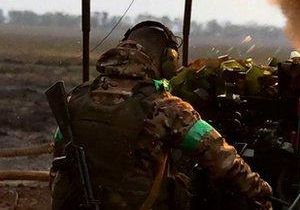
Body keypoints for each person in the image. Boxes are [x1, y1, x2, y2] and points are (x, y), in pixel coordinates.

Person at [50, 21, 273, 209]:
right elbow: (223, 160)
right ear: (168, 61)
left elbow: (59, 153)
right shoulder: (168, 108)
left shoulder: (76, 97)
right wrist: (261, 192)